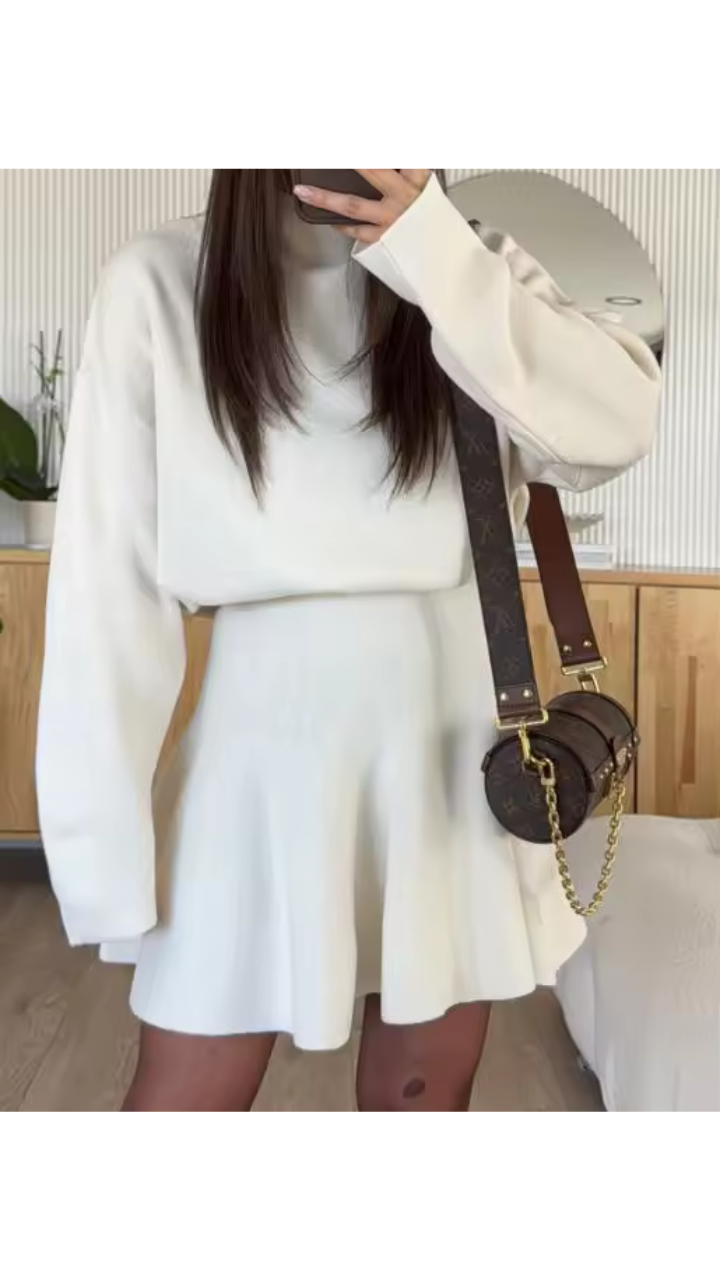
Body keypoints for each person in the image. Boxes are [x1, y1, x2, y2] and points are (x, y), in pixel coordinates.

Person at [36, 170, 660, 1111]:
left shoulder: (470, 262)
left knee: (420, 1098)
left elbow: (618, 425)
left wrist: (430, 253)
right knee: (185, 1100)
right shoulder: (158, 280)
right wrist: (97, 849)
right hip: (258, 755)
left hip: (448, 751)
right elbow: (105, 593)